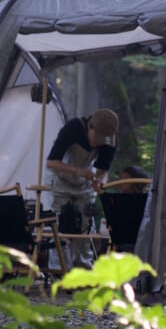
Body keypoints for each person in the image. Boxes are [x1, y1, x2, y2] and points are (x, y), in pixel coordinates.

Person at [45, 108, 119, 268]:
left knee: (85, 225)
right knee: (61, 225)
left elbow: (103, 169)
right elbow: (51, 162)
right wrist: (77, 171)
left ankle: (83, 268)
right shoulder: (73, 129)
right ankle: (60, 269)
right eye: (97, 138)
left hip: (85, 185)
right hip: (61, 181)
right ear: (89, 127)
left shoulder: (109, 140)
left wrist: (99, 181)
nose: (99, 143)